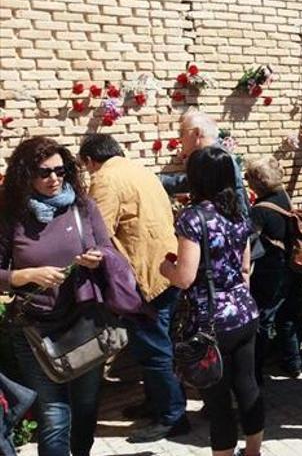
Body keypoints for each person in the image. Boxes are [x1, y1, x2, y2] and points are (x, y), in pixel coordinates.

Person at [0, 137, 110, 456]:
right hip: (36, 330)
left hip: (84, 324)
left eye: (60, 171)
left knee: (87, 406)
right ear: (25, 174)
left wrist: (98, 258)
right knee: (54, 414)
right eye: (44, 172)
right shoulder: (12, 216)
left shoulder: (83, 206)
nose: (54, 179)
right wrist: (26, 276)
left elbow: (107, 249)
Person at [78, 133, 190, 443]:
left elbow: (97, 231)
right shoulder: (140, 169)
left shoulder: (105, 179)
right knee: (156, 343)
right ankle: (158, 403)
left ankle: (173, 416)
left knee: (154, 349)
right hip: (165, 268)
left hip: (143, 276)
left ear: (89, 161)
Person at [160, 147, 263, 456]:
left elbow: (185, 277)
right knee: (248, 386)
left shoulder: (193, 218)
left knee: (217, 401)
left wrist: (165, 268)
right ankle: (254, 451)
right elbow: (245, 269)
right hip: (244, 313)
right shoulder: (237, 212)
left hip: (211, 322)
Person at [244, 157, 302, 383]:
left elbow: (248, 241)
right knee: (287, 316)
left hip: (270, 273)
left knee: (262, 321)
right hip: (290, 265)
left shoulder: (259, 210)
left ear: (256, 182)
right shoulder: (284, 198)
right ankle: (293, 363)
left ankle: (255, 373)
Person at [160, 111, 249, 217]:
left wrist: (157, 180)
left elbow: (188, 182)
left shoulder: (215, 158)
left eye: (182, 133)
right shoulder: (214, 155)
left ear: (197, 133)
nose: (180, 139)